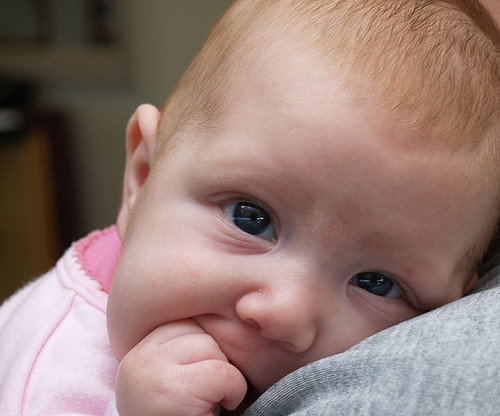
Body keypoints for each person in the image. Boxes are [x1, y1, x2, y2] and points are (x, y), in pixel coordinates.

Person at [0, 0, 498, 415]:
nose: (285, 313)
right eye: (251, 219)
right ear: (142, 178)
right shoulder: (45, 370)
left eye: (376, 283)